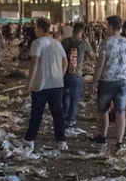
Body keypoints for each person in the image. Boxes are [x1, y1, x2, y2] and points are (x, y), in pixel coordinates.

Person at [91, 15, 126, 153]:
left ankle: (103, 136)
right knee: (121, 112)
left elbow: (100, 65)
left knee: (103, 111)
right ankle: (119, 141)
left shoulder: (106, 43)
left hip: (107, 81)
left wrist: (94, 82)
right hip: (122, 82)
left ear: (110, 26)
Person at [23, 17, 68, 150]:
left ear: (41, 29)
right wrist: (60, 75)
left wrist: (29, 83)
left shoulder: (37, 43)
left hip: (41, 84)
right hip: (56, 84)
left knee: (37, 113)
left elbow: (34, 63)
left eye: (36, 28)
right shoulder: (57, 43)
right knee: (57, 113)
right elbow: (65, 62)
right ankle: (61, 140)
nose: (35, 30)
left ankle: (30, 139)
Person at [60, 22, 93, 132]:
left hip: (64, 73)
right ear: (81, 32)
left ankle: (64, 116)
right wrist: (89, 42)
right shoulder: (83, 44)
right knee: (74, 99)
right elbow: (93, 56)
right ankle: (71, 120)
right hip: (77, 75)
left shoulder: (64, 42)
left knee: (65, 96)